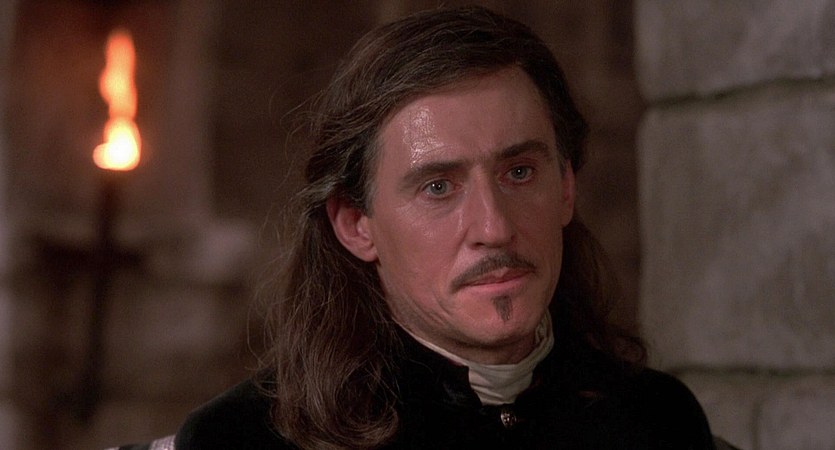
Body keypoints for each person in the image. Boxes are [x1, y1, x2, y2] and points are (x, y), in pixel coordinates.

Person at [113, 6, 736, 450]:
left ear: (566, 187)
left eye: (519, 172)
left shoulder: (658, 419)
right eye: (438, 187)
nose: (494, 227)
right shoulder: (246, 440)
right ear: (356, 224)